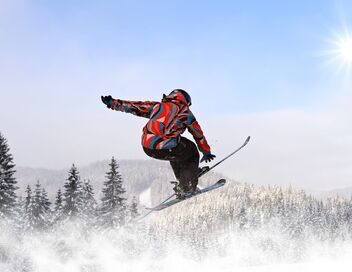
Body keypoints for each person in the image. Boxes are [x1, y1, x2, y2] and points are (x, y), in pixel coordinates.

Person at [101, 89, 216, 199]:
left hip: (147, 147)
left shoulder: (158, 106)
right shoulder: (185, 113)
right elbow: (198, 134)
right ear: (185, 101)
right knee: (192, 152)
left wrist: (113, 103)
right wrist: (206, 152)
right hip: (164, 146)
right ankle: (187, 187)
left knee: (177, 149)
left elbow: (134, 106)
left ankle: (186, 177)